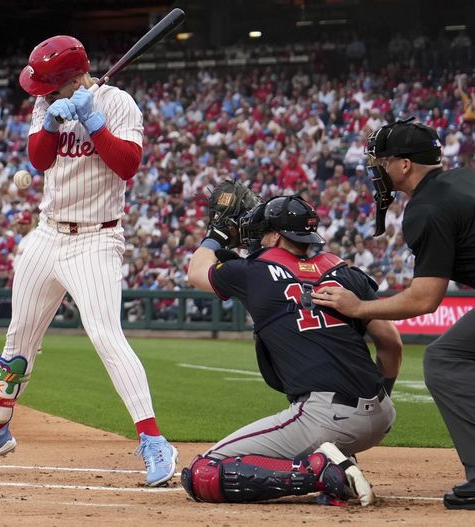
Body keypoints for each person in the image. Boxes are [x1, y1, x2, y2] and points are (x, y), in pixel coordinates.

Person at [0, 34, 177, 486]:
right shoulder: (47, 101)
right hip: (47, 235)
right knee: (18, 342)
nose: (39, 93)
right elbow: (39, 159)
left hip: (96, 240)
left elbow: (128, 165)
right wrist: (51, 123)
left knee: (106, 335)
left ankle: (153, 441)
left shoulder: (118, 104)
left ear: (68, 78)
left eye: (46, 86)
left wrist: (94, 122)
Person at [183, 195, 403, 506]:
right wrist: (380, 400)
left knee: (202, 472)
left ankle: (320, 472)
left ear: (275, 236)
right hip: (381, 417)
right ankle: (335, 458)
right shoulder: (346, 273)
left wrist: (216, 234)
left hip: (324, 416)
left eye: (263, 233)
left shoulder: (251, 272)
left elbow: (195, 271)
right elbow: (391, 343)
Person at [313, 118, 475, 510]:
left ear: (404, 165)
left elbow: (424, 299)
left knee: (445, 358)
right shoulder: (463, 179)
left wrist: (360, 308)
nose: (378, 169)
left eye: (383, 160)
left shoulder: (428, 207)